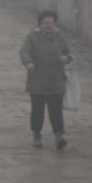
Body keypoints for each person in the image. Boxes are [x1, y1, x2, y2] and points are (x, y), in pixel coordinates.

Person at [18, 9, 72, 150]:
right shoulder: (33, 37)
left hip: (56, 80)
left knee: (56, 110)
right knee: (38, 110)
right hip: (38, 80)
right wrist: (28, 62)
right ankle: (37, 134)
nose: (49, 25)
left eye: (51, 22)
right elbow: (24, 51)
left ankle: (59, 135)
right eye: (46, 23)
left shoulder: (59, 36)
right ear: (40, 23)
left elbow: (68, 53)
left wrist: (66, 58)